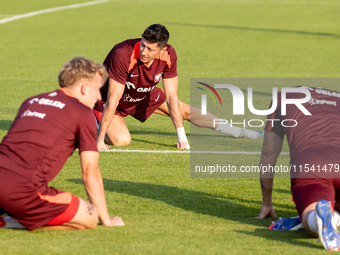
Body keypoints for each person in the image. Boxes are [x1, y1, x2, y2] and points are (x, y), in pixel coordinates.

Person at [0, 56, 124, 231]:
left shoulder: (32, 101)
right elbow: (90, 173)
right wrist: (107, 220)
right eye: (97, 89)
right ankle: (9, 222)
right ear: (84, 87)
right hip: (21, 190)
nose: (98, 97)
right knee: (90, 216)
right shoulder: (82, 112)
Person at [94, 24, 263, 150]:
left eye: (150, 49)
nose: (144, 52)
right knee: (121, 140)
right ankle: (91, 125)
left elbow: (171, 96)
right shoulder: (123, 53)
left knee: (186, 110)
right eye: (143, 45)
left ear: (161, 49)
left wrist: (182, 139)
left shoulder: (168, 55)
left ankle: (239, 132)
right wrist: (100, 141)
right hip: (107, 100)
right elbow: (113, 97)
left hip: (141, 95)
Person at [256, 86, 340, 251]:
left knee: (313, 219)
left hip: (312, 164)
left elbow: (268, 155)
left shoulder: (283, 97)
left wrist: (267, 203)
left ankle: (315, 218)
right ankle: (325, 216)